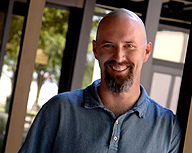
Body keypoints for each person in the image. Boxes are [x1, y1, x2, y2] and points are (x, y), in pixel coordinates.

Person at [19, 8, 181, 153]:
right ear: (96, 50)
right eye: (109, 45)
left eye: (129, 46)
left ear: (146, 52)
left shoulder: (168, 128)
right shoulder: (59, 111)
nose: (119, 57)